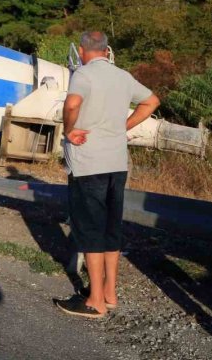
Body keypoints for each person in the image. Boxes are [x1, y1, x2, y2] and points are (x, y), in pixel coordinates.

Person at [55, 31, 160, 319]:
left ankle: (95, 301)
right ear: (106, 50)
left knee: (90, 230)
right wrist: (122, 127)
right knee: (111, 228)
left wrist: (68, 129)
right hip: (117, 163)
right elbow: (152, 101)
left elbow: (72, 105)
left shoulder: (83, 74)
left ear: (82, 49)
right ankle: (111, 293)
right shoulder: (123, 76)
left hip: (89, 164)